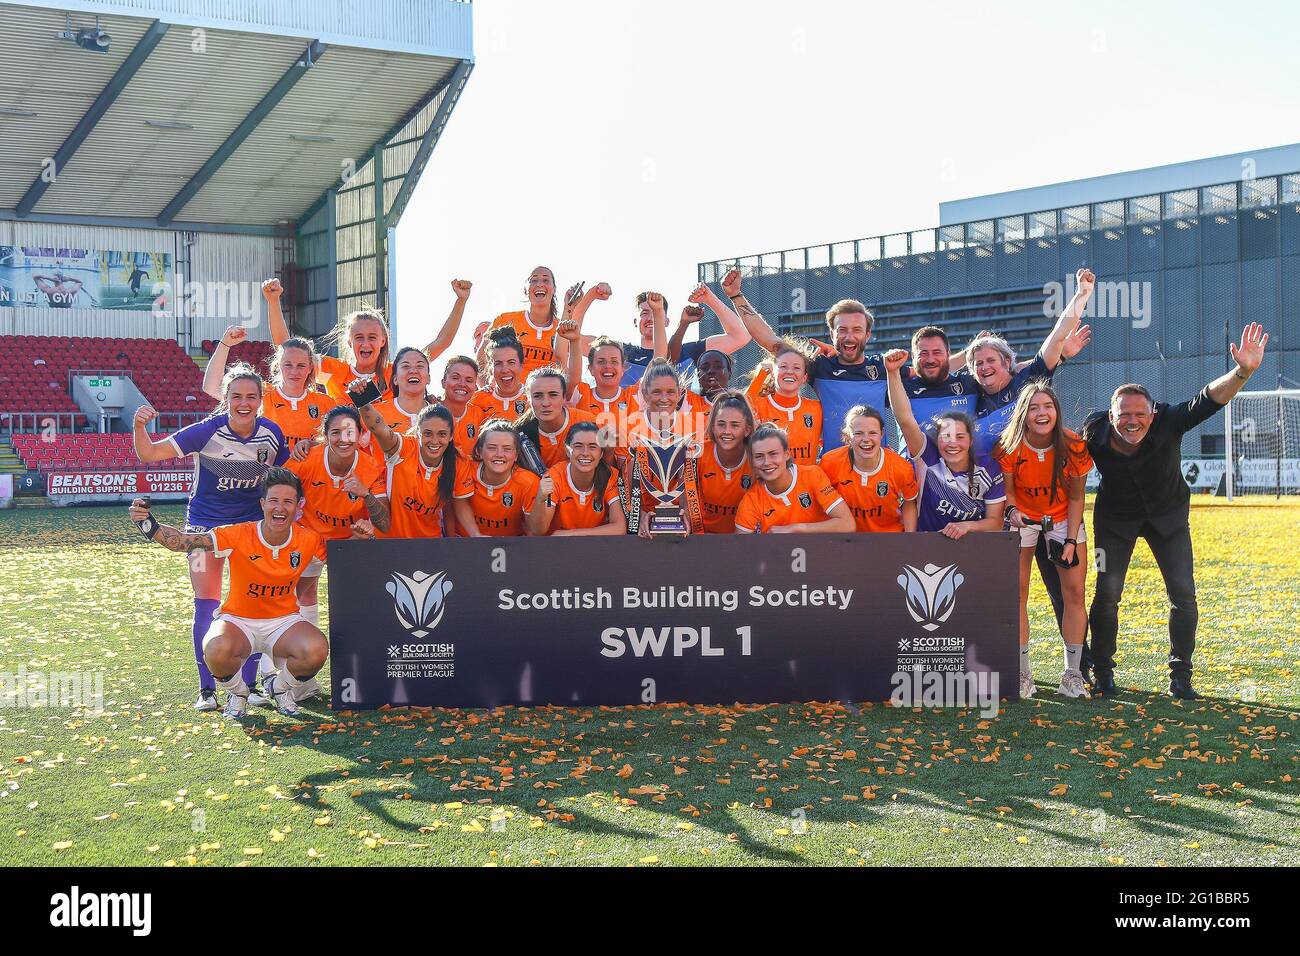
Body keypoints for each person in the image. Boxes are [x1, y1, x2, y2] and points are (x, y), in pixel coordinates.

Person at [1084, 322, 1269, 700]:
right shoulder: (1094, 433)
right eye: (1124, 415)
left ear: (1152, 414)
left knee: (1183, 594)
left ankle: (1180, 675)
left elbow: (1209, 399)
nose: (1131, 421)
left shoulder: (1170, 420)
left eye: (1139, 413)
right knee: (1107, 593)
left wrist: (1243, 371)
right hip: (1113, 523)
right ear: (1111, 415)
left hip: (1168, 519)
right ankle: (1101, 671)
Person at [133, 364, 289, 711]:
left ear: (261, 400)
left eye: (251, 397)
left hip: (250, 530)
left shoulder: (272, 434)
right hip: (204, 528)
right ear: (226, 399)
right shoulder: (206, 431)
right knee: (207, 602)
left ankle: (249, 685)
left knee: (254, 604)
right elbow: (150, 453)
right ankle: (207, 690)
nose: (244, 403)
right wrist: (139, 426)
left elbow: (289, 474)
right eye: (236, 396)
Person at [128, 468, 328, 720]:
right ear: (263, 503)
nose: (280, 508)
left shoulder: (310, 539)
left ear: (298, 506)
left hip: (283, 621)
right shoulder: (238, 534)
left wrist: (363, 534)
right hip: (239, 620)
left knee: (317, 649)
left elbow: (342, 557)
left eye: (288, 501)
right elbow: (182, 542)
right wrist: (147, 523)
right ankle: (238, 692)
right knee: (215, 649)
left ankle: (279, 689)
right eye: (274, 501)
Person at [993, 383, 1093, 699]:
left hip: (1063, 519)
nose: (1041, 413)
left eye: (1047, 406)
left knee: (1075, 592)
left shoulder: (1073, 444)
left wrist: (1070, 539)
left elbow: (1077, 496)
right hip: (1022, 518)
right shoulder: (1009, 445)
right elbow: (1007, 491)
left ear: (1056, 410)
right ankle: (1022, 675)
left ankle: (1072, 675)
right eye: (1034, 407)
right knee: (1016, 592)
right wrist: (1011, 511)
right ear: (1024, 412)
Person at [264, 276, 470, 402]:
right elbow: (286, 349)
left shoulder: (396, 372)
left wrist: (461, 301)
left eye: (372, 337)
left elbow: (441, 342)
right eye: (358, 337)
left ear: (383, 340)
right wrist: (273, 301)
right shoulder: (334, 372)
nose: (365, 343)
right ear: (349, 342)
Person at [884, 349, 1006, 537]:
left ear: (971, 440)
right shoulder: (928, 457)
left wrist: (967, 526)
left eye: (959, 436)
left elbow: (996, 523)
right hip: (929, 545)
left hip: (971, 548)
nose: (952, 443)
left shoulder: (988, 468)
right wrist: (892, 373)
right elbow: (905, 419)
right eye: (945, 436)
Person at [353, 389, 473, 538]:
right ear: (417, 433)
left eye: (442, 434)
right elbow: (379, 428)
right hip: (391, 543)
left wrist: (477, 535)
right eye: (427, 433)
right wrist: (362, 400)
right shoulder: (404, 448)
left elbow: (461, 506)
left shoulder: (458, 461)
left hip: (429, 545)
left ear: (450, 436)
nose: (434, 441)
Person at [202, 326, 341, 452]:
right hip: (269, 478)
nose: (294, 371)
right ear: (278, 365)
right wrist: (224, 344)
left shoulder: (326, 403)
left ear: (310, 368)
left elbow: (338, 443)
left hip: (310, 478)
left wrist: (313, 444)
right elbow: (212, 387)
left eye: (301, 366)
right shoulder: (262, 393)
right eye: (288, 365)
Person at [623, 356, 706, 535]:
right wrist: (639, 516)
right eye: (656, 392)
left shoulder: (693, 427)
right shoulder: (627, 427)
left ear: (680, 393)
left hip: (677, 515)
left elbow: (690, 481)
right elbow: (623, 484)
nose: (664, 398)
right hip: (640, 518)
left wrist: (687, 514)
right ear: (645, 393)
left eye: (670, 392)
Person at [734, 424, 853, 534]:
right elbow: (742, 548)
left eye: (773, 454)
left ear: (786, 455)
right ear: (752, 461)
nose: (767, 462)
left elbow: (847, 524)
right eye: (759, 456)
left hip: (820, 551)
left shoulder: (812, 475)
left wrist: (796, 528)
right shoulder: (751, 500)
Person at [819, 405, 918, 532]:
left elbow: (909, 502)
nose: (866, 439)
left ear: (882, 434)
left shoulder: (901, 467)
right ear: (848, 436)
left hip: (888, 537)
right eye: (858, 433)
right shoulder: (830, 462)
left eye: (873, 433)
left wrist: (910, 539)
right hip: (845, 538)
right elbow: (821, 504)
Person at [528, 421, 627, 536]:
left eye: (592, 447)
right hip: (559, 548)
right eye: (578, 446)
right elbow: (538, 530)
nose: (585, 453)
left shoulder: (610, 476)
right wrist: (541, 499)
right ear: (567, 450)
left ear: (601, 453)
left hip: (597, 546)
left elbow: (619, 528)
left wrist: (573, 534)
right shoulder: (554, 477)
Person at [454, 421, 546, 537]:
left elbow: (533, 529)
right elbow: (459, 502)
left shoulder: (528, 481)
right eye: (492, 448)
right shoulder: (465, 468)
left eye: (507, 449)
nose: (499, 454)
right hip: (466, 541)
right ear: (479, 451)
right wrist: (476, 535)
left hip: (508, 546)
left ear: (516, 455)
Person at [744, 341, 822, 464]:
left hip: (806, 481)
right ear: (773, 373)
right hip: (770, 480)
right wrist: (760, 377)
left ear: (804, 378)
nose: (790, 372)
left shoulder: (816, 408)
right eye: (783, 366)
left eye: (797, 368)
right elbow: (739, 409)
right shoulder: (759, 405)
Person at [483, 266, 568, 376]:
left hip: (545, 392)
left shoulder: (563, 329)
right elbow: (481, 357)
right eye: (534, 280)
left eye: (546, 280)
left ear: (554, 289)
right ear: (525, 289)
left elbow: (589, 348)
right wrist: (490, 388)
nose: (539, 284)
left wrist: (591, 295)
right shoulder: (504, 320)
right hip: (510, 392)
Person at [361, 346, 434, 464]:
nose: (413, 370)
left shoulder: (441, 415)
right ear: (395, 379)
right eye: (406, 366)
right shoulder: (374, 413)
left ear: (429, 379)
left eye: (420, 366)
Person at [515, 366, 598, 469]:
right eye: (537, 396)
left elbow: (606, 468)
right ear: (528, 399)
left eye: (553, 395)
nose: (545, 403)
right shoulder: (520, 433)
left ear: (564, 397)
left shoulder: (587, 422)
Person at [696, 391, 755, 533]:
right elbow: (687, 506)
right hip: (702, 538)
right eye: (721, 424)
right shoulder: (698, 454)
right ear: (712, 426)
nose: (727, 431)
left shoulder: (756, 458)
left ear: (747, 430)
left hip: (741, 541)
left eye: (735, 425)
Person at [470, 328, 531, 421]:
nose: (505, 370)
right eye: (498, 363)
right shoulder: (476, 401)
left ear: (521, 365)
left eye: (511, 362)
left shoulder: (533, 399)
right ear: (490, 368)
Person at [436, 355, 488, 457]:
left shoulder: (480, 416)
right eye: (455, 378)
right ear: (443, 383)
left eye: (469, 380)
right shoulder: (430, 413)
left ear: (475, 387)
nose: (462, 384)